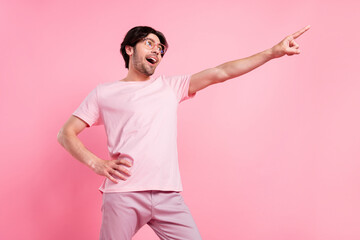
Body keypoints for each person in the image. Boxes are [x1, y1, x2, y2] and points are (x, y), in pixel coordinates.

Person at [57, 25, 310, 240]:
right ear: (129, 49)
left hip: (168, 195)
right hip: (124, 194)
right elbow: (66, 133)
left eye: (161, 48)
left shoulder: (170, 87)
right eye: (149, 43)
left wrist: (271, 53)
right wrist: (96, 163)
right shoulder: (105, 93)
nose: (157, 49)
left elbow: (221, 72)